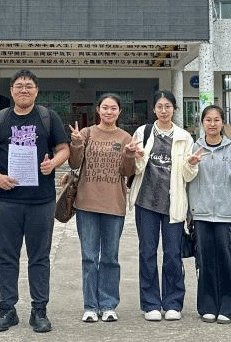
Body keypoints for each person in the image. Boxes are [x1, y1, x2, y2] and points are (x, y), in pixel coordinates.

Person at [0, 70, 70, 333]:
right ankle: (7, 309)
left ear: (36, 91)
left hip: (41, 200)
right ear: (12, 91)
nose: (24, 90)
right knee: (6, 256)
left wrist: (53, 164)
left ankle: (39, 310)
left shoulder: (48, 117)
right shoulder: (0, 119)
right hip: (6, 200)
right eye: (19, 86)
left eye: (29, 86)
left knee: (39, 257)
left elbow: (63, 149)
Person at [68, 93, 141, 323]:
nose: (109, 112)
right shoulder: (86, 133)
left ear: (119, 112)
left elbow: (127, 172)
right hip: (86, 204)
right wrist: (76, 143)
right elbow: (74, 163)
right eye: (105, 107)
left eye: (113, 108)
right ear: (98, 110)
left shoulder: (125, 137)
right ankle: (90, 306)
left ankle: (108, 305)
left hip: (114, 205)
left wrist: (129, 154)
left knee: (110, 257)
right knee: (89, 258)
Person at [128, 90, 196, 321]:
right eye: (160, 106)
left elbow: (187, 175)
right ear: (154, 109)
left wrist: (191, 164)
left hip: (173, 204)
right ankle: (151, 304)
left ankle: (173, 303)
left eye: (168, 106)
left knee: (173, 254)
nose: (164, 110)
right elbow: (137, 169)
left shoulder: (184, 137)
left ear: (174, 109)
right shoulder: (143, 132)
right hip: (146, 203)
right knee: (147, 253)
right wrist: (137, 156)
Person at [187, 104, 231, 324]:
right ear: (202, 123)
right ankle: (207, 307)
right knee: (205, 263)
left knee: (228, 263)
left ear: (222, 123)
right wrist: (190, 165)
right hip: (202, 214)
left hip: (227, 214)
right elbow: (188, 178)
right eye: (208, 120)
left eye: (216, 120)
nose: (212, 124)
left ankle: (229, 309)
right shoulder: (195, 147)